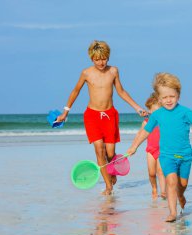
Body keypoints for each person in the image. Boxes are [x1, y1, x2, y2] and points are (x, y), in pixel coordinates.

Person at [127, 72, 192, 222]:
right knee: (171, 181)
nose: (168, 100)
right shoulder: (157, 115)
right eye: (164, 97)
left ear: (178, 94)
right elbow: (145, 131)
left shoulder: (185, 112)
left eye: (171, 96)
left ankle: (181, 195)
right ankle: (172, 212)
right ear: (159, 98)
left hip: (185, 155)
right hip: (166, 155)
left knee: (182, 184)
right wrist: (134, 146)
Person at [57, 40, 146, 195]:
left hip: (110, 115)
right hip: (92, 116)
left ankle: (111, 174)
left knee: (111, 154)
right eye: (97, 59)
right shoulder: (86, 73)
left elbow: (121, 91)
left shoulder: (113, 71)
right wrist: (65, 112)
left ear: (108, 57)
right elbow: (75, 91)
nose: (101, 62)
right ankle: (108, 187)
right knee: (99, 149)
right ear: (92, 58)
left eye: (103, 58)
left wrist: (137, 108)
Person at [141, 92, 166, 199]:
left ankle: (163, 192)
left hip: (162, 149)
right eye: (153, 110)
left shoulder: (165, 121)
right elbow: (141, 135)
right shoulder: (146, 122)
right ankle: (154, 188)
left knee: (160, 171)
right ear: (150, 110)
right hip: (150, 149)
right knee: (151, 173)